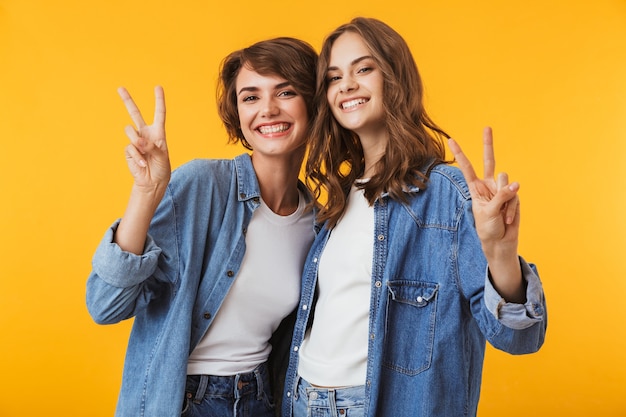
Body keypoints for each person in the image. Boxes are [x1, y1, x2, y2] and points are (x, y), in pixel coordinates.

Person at [281, 17, 547, 417]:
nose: (347, 85)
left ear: (395, 77)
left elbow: (518, 338)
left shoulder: (447, 194)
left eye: (363, 69)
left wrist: (501, 255)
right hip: (304, 399)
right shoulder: (335, 201)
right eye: (334, 77)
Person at [86, 37, 318, 417]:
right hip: (183, 401)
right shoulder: (203, 186)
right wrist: (147, 192)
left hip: (263, 400)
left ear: (313, 102)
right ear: (237, 113)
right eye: (250, 97)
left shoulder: (319, 222)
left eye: (286, 91)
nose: (268, 109)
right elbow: (104, 305)